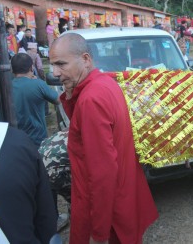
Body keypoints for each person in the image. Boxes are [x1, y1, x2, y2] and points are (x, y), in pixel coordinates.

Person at [49, 33, 158, 244]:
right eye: (52, 65)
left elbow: (102, 173)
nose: (55, 73)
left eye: (61, 64)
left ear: (86, 60)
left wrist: (99, 232)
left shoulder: (90, 99)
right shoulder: (105, 84)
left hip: (110, 210)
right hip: (123, 196)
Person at [0, 63, 57, 243]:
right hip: (31, 143)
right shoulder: (15, 144)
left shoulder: (7, 88)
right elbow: (45, 220)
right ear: (30, 68)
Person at [11, 53, 59, 147]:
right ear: (31, 68)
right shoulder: (38, 84)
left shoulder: (4, 89)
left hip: (14, 141)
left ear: (12, 70)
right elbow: (58, 100)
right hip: (37, 141)